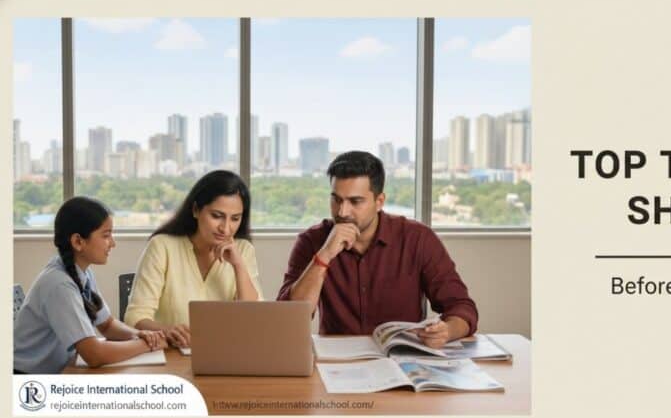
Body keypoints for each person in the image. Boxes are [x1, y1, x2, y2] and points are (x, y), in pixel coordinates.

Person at [278, 151, 479, 348]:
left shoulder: (417, 238)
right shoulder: (311, 241)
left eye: (355, 201)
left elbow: (462, 308)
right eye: (336, 199)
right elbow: (287, 320)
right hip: (338, 367)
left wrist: (447, 332)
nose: (342, 212)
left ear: (379, 202)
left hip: (401, 360)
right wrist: (324, 256)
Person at [13, 197, 167, 374]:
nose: (113, 243)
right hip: (26, 382)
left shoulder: (81, 273)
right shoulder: (60, 284)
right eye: (106, 235)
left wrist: (137, 334)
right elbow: (94, 355)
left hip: (56, 373)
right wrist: (145, 345)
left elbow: (107, 325)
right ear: (78, 241)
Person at [124, 170, 262, 348]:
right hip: (171, 358)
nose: (226, 229)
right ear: (196, 210)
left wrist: (238, 265)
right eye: (217, 216)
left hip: (228, 356)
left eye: (235, 219)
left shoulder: (244, 250)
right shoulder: (162, 246)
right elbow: (135, 318)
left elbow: (254, 319)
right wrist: (167, 330)